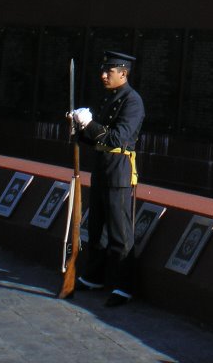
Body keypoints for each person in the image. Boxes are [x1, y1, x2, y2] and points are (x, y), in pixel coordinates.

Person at [69, 50, 144, 308]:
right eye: (103, 71)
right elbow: (98, 139)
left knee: (120, 232)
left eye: (108, 71)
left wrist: (89, 125)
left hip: (119, 171)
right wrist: (80, 129)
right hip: (103, 169)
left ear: (123, 73)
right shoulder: (113, 98)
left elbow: (116, 138)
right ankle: (94, 276)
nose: (103, 75)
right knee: (97, 227)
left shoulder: (132, 102)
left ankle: (123, 286)